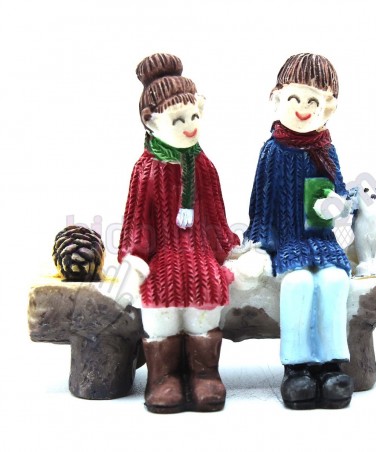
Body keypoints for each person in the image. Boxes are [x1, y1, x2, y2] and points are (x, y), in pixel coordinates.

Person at [117, 53, 239, 413]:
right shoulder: (146, 170)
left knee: (208, 291)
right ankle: (163, 375)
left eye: (194, 117)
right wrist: (135, 257)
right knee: (160, 302)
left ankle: (205, 373)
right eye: (178, 119)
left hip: (199, 254)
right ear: (150, 121)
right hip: (162, 257)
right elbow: (137, 221)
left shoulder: (204, 166)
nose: (189, 127)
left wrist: (226, 250)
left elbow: (216, 217)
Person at [242, 53, 354, 409]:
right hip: (288, 242)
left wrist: (335, 206)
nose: (303, 109)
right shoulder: (272, 151)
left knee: (334, 281)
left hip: (322, 240)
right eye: (295, 98)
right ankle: (297, 366)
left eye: (313, 101)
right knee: (298, 284)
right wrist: (259, 244)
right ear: (278, 99)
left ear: (327, 107)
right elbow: (261, 203)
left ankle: (332, 364)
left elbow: (340, 192)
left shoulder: (326, 150)